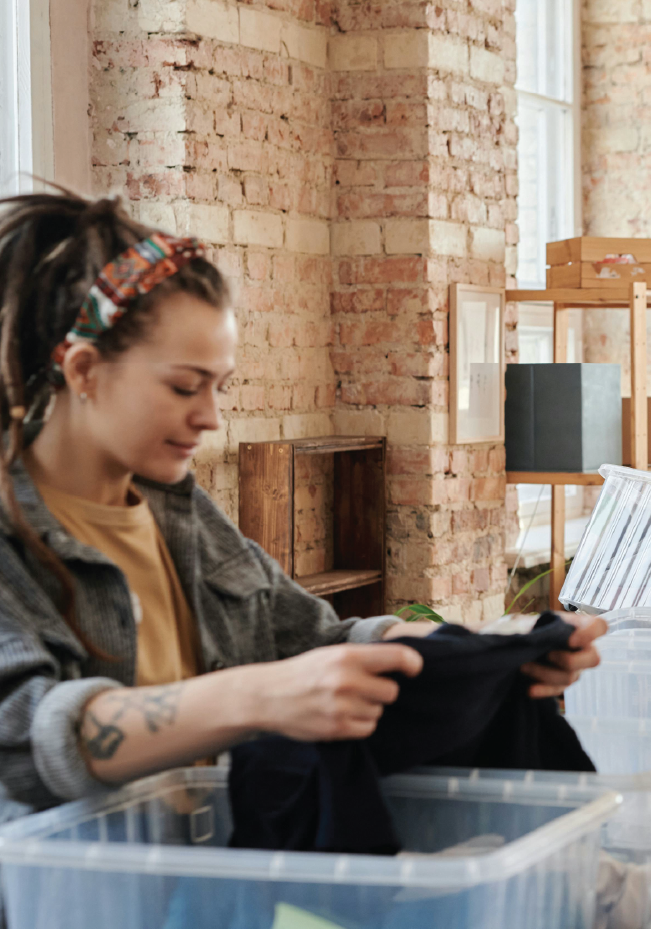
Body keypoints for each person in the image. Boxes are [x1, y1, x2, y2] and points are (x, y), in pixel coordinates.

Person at [0, 189, 604, 812]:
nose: (209, 417)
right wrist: (258, 696)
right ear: (83, 371)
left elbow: (313, 641)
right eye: (184, 387)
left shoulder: (179, 514)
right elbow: (24, 738)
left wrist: (484, 646)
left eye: (219, 387)